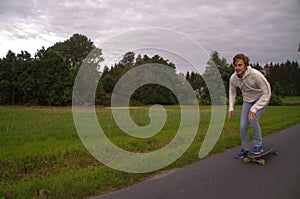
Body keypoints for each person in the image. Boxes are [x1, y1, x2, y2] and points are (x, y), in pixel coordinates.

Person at [228, 54, 271, 158]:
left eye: (240, 65)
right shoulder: (233, 78)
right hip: (247, 100)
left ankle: (258, 146)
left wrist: (255, 108)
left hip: (261, 98)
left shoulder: (256, 75)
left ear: (246, 65)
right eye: (235, 65)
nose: (237, 68)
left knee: (252, 119)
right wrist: (231, 107)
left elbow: (267, 92)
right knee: (243, 125)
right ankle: (245, 149)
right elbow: (232, 92)